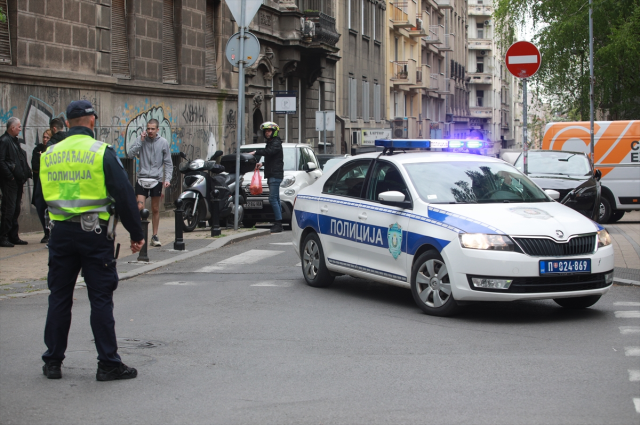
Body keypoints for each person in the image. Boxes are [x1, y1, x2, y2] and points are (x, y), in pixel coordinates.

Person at [40, 100, 145, 381]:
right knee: (99, 297)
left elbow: (40, 199)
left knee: (59, 297)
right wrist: (137, 234)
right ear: (91, 121)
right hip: (94, 235)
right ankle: (108, 363)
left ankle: (52, 362)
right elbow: (123, 195)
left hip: (59, 233)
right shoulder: (101, 152)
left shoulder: (49, 153)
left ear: (68, 122)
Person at [127, 119, 172, 246]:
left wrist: (167, 179)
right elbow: (130, 154)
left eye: (153, 129)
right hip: (142, 178)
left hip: (156, 179)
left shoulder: (163, 142)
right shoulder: (141, 140)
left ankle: (154, 236)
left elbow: (168, 162)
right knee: (139, 207)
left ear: (157, 129)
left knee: (155, 208)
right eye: (148, 129)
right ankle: (138, 234)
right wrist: (140, 142)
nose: (150, 131)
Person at [0, 117, 32, 247]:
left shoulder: (14, 141)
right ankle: (3, 236)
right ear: (12, 128)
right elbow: (1, 161)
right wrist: (10, 176)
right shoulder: (4, 141)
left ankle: (13, 236)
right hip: (9, 182)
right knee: (9, 208)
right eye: (18, 127)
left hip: (18, 181)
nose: (20, 129)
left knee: (16, 209)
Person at [250, 121, 284, 233]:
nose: (267, 133)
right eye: (266, 131)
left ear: (274, 132)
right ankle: (279, 222)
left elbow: (270, 152)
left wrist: (256, 152)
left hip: (275, 174)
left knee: (272, 198)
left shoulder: (276, 142)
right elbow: (273, 158)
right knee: (276, 199)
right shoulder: (271, 142)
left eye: (269, 131)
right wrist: (263, 164)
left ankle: (278, 223)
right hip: (272, 173)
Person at [31, 129, 52, 243]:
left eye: (47, 137)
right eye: (44, 137)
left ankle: (51, 233)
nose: (45, 139)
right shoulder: (37, 149)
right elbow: (35, 166)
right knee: (41, 207)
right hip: (40, 184)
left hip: (50, 186)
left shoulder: (53, 150)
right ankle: (46, 232)